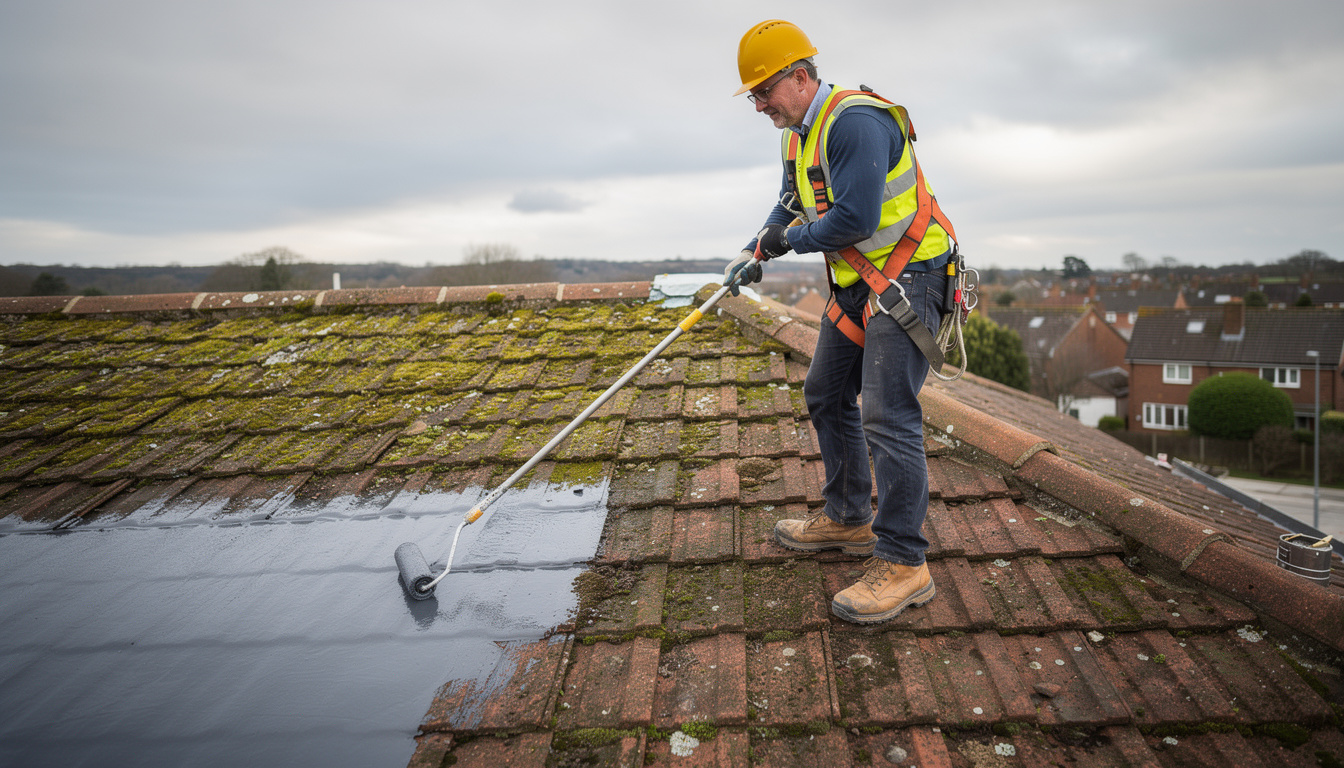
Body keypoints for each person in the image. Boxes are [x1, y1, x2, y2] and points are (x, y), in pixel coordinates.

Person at [723, 19, 958, 624]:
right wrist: (755, 248)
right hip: (860, 282)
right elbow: (790, 202)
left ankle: (905, 563)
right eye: (752, 96)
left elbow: (854, 219)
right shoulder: (796, 133)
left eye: (764, 92)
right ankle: (850, 518)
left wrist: (787, 242)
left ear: (800, 78)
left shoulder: (854, 123)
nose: (759, 106)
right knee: (826, 394)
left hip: (908, 278)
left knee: (888, 414)